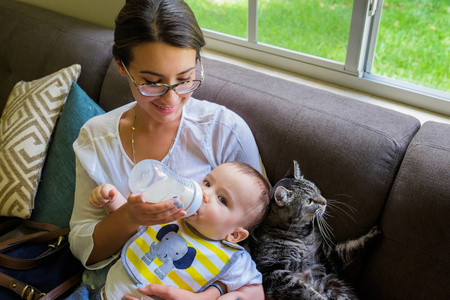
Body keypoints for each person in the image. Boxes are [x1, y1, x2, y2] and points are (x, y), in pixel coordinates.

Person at [68, 0, 265, 299]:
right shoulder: (95, 139)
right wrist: (130, 217)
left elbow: (249, 247)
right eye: (151, 82)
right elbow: (83, 248)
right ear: (122, 66)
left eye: (185, 80)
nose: (171, 100)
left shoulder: (225, 133)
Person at [89, 161, 270, 299]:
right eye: (207, 183)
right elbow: (136, 224)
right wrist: (112, 200)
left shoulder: (232, 260)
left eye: (222, 199)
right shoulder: (168, 213)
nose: (205, 193)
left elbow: (255, 292)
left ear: (235, 234)